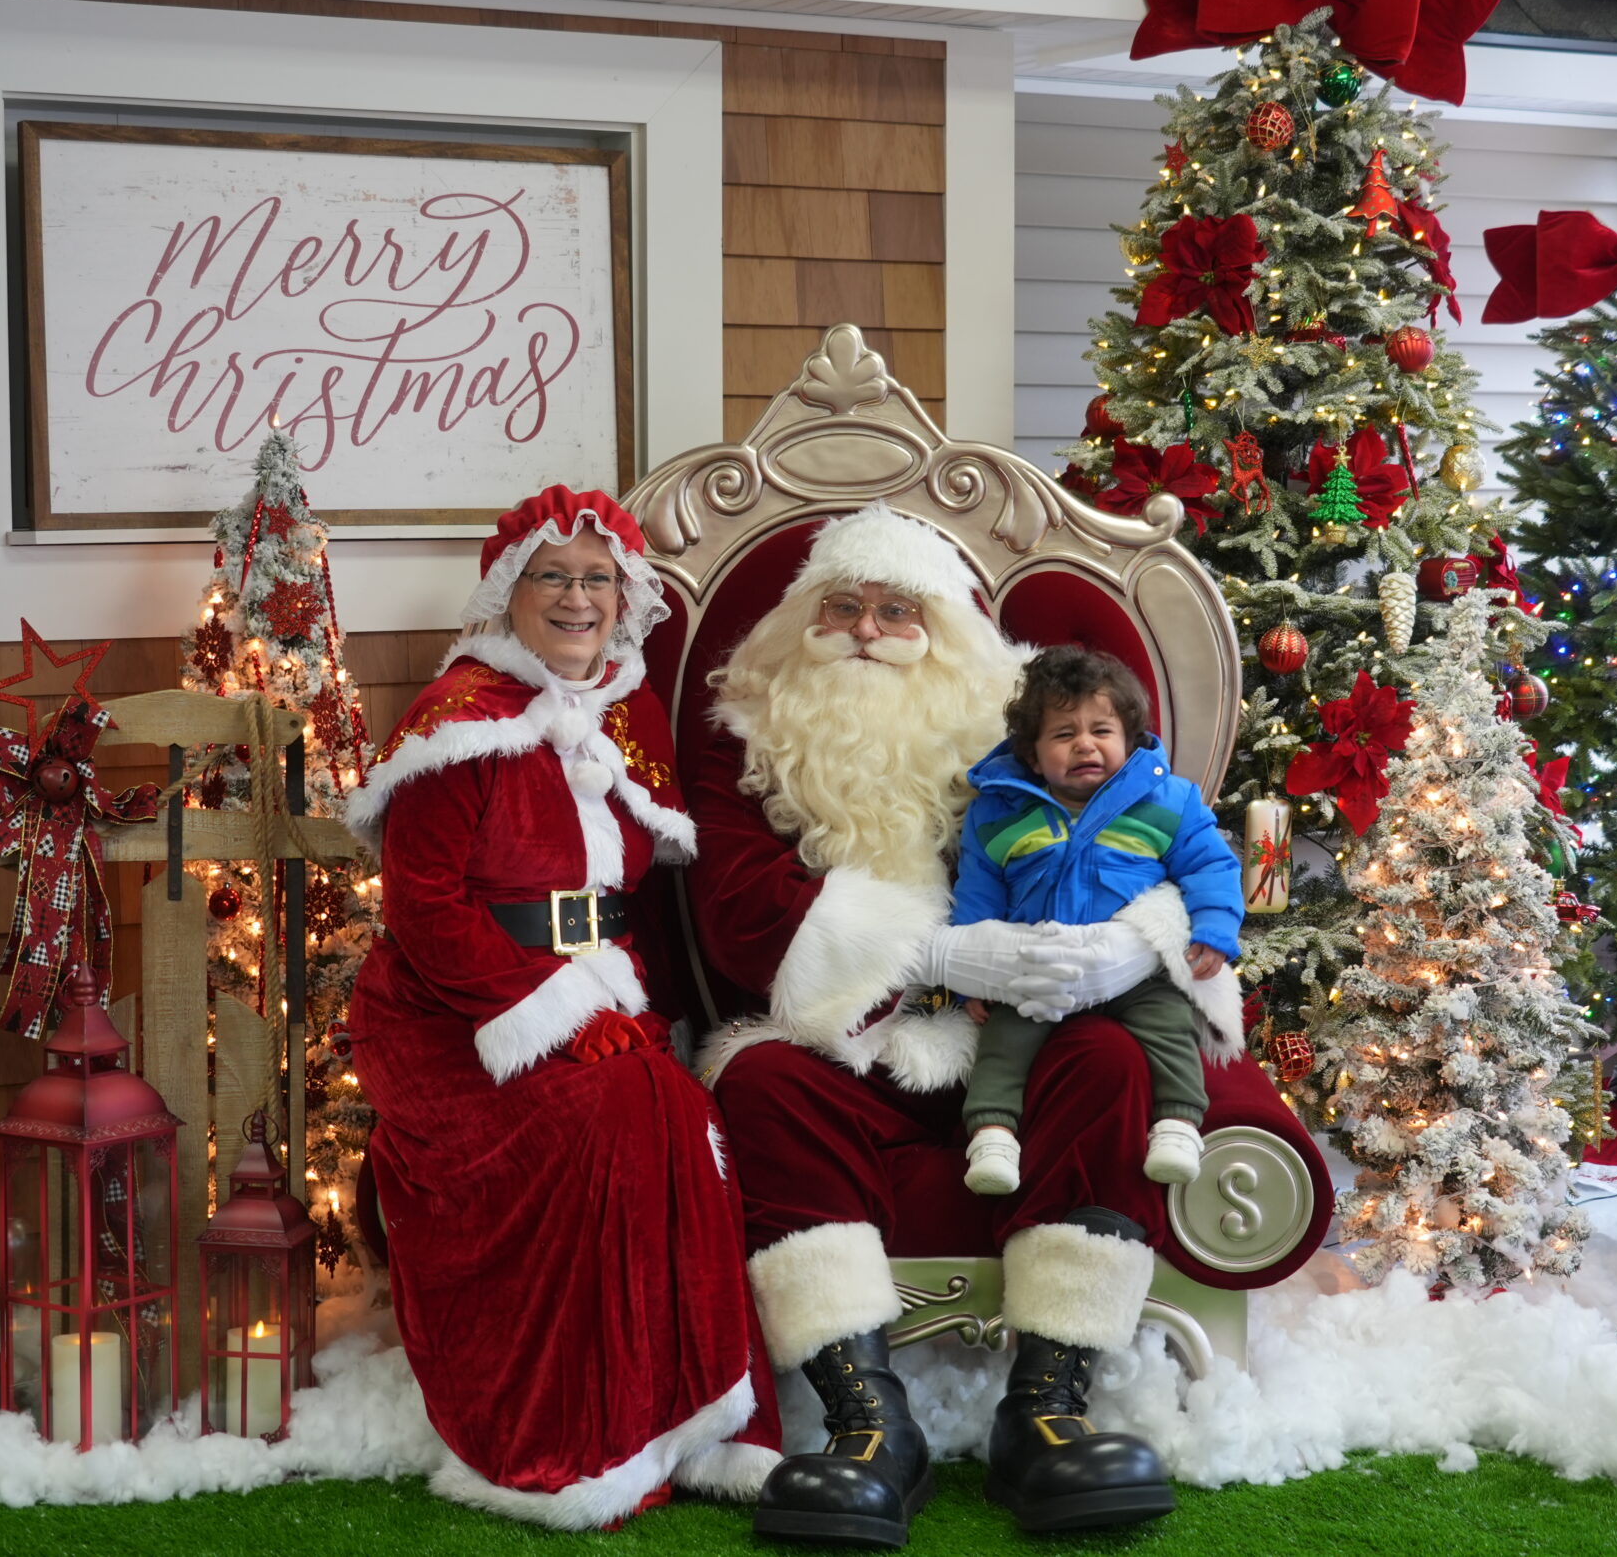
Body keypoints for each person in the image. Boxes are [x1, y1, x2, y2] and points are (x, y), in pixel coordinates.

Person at [690, 504, 1234, 1543]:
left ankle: (1047, 1410)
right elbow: (736, 911)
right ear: (801, 620)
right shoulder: (752, 731)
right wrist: (932, 954)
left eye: (898, 610)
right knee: (760, 1084)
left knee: (1113, 1059)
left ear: (945, 630)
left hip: (1023, 1038)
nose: (865, 630)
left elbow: (1161, 831)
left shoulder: (1028, 715)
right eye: (842, 606)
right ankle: (867, 1424)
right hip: (849, 1043)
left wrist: (1134, 940)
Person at [341, 485, 779, 1527]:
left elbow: (639, 899)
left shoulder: (629, 715)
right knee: (611, 1117)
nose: (578, 599)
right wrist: (556, 1013)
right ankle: (578, 1440)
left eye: (597, 579)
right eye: (553, 577)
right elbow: (425, 910)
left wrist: (629, 1009)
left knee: (681, 1114)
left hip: (599, 990)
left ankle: (701, 1420)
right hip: (455, 1015)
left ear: (624, 598)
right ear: (511, 591)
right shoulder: (457, 719)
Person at [952, 646, 1244, 1199]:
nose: (1084, 744)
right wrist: (973, 976)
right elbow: (977, 893)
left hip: (1135, 972)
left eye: (1101, 730)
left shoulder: (1168, 800)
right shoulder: (999, 812)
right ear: (1033, 755)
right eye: (1063, 734)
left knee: (1171, 1022)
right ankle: (992, 1136)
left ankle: (1178, 1125)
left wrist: (1214, 931)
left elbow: (1211, 866)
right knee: (1003, 1043)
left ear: (1128, 739)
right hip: (1038, 967)